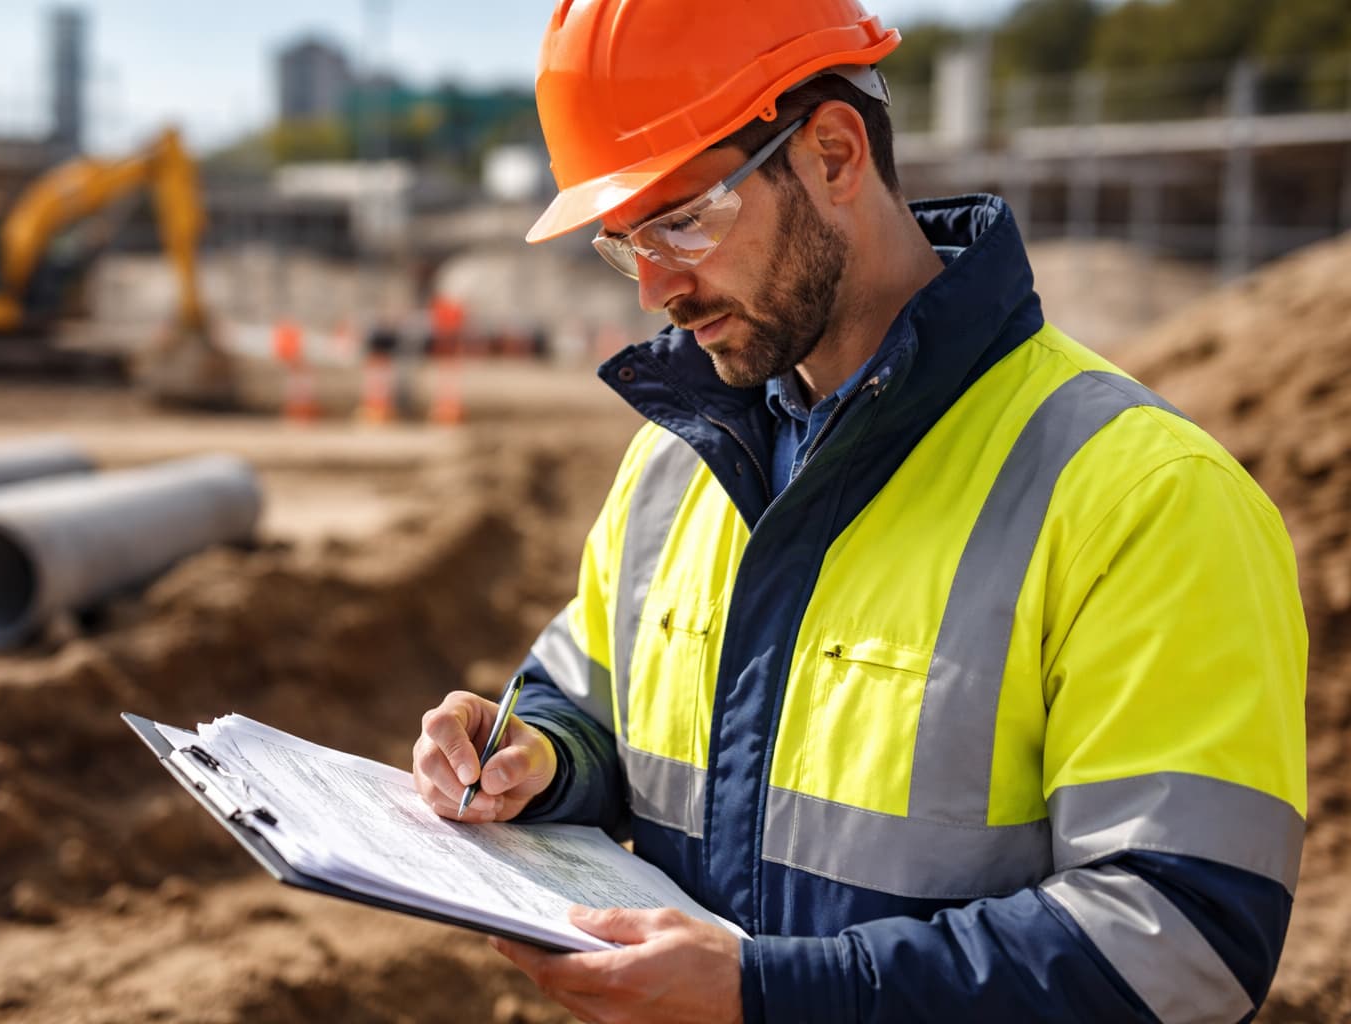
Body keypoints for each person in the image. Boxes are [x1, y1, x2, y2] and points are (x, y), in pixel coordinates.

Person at [412, 2, 1308, 1020]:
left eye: (683, 218)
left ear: (834, 154)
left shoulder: (1143, 497)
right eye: (624, 243)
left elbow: (1184, 945)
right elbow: (589, 702)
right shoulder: (673, 465)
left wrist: (772, 995)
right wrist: (540, 755)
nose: (656, 285)